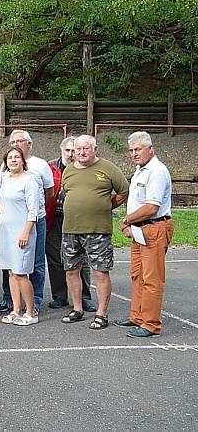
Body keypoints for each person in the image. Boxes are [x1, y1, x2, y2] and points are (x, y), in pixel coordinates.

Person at [60, 135, 129, 330]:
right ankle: (77, 308)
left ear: (95, 149)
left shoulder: (108, 168)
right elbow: (67, 193)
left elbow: (123, 191)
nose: (81, 153)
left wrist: (106, 206)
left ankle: (101, 313)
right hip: (71, 229)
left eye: (86, 149)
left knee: (100, 272)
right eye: (77, 149)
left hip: (98, 230)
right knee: (71, 271)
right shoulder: (69, 170)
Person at [115, 131, 174, 338]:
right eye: (131, 150)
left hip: (154, 227)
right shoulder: (141, 170)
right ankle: (137, 316)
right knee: (137, 275)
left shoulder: (157, 171)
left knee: (151, 278)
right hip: (140, 229)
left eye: (138, 149)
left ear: (150, 149)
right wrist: (131, 223)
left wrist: (126, 220)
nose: (133, 153)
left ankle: (150, 324)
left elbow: (152, 207)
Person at [0, 130, 53, 313]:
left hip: (32, 222)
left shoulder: (39, 166)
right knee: (11, 268)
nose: (15, 144)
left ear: (28, 144)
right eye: (12, 142)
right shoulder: (4, 175)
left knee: (34, 265)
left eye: (19, 141)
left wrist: (30, 224)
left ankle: (34, 304)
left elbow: (49, 192)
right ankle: (14, 305)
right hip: (8, 227)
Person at [45, 136, 94, 311]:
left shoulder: (86, 168)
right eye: (68, 150)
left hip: (79, 220)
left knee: (82, 259)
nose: (72, 154)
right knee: (55, 259)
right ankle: (60, 296)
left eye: (74, 150)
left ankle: (84, 297)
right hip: (55, 218)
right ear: (62, 151)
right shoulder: (50, 167)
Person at [0, 148, 40, 326]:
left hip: (22, 232)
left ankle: (31, 311)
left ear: (23, 160)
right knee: (11, 273)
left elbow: (33, 210)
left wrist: (26, 232)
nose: (13, 160)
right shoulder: (5, 179)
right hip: (6, 232)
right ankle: (16, 309)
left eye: (17, 157)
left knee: (21, 273)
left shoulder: (30, 180)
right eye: (10, 158)